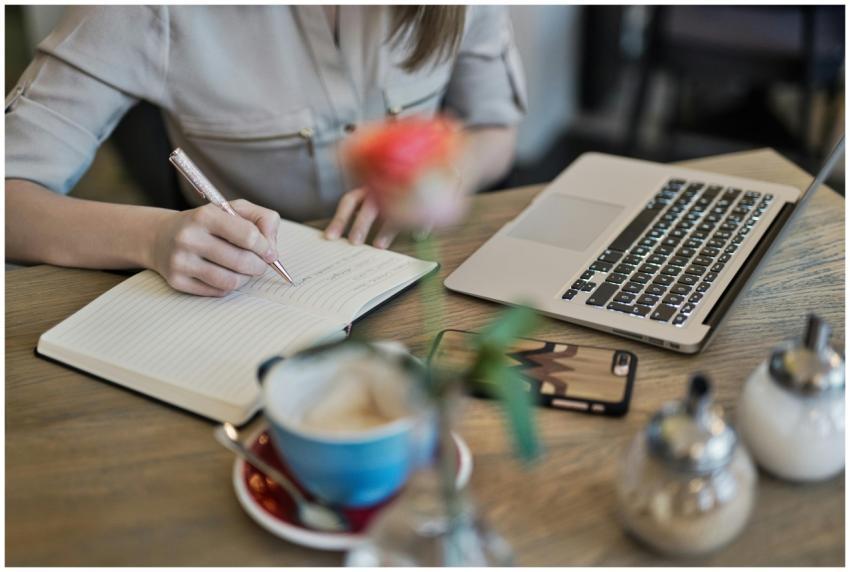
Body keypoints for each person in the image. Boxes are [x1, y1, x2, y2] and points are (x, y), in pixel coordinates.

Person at [5, 6, 526, 296]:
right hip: (246, 297)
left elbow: (496, 129)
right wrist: (154, 236)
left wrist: (451, 171)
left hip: (423, 278)